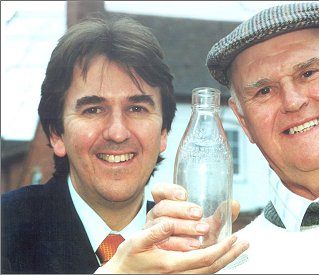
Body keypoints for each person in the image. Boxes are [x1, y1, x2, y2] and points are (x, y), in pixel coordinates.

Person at [150, 2, 319, 273]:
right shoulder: (225, 264)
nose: (293, 102)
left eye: (308, 73)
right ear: (243, 122)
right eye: (265, 91)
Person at [1, 14, 248, 274]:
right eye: (94, 110)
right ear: (56, 134)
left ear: (164, 132)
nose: (117, 133)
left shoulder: (199, 246)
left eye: (137, 108)